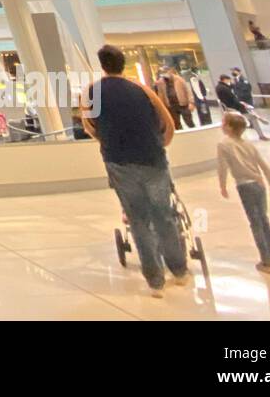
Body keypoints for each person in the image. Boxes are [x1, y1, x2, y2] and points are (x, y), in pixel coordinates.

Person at [81, 44, 189, 298]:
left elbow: (89, 125)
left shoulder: (92, 92)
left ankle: (155, 280)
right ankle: (179, 269)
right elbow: (167, 121)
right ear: (122, 64)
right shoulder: (141, 89)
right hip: (152, 159)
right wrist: (161, 144)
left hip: (119, 162)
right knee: (164, 215)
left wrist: (107, 142)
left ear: (102, 65)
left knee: (138, 220)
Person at [217, 110, 270, 273]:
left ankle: (266, 261)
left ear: (229, 127)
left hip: (244, 185)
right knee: (264, 219)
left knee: (255, 222)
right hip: (259, 184)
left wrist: (222, 185)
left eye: (224, 122)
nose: (222, 125)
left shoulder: (224, 145)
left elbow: (222, 167)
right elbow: (263, 165)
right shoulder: (249, 145)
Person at [216, 74, 270, 141]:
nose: (229, 81)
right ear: (225, 79)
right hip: (233, 109)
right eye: (228, 80)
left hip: (230, 108)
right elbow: (232, 99)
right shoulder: (224, 88)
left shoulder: (220, 87)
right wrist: (241, 104)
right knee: (252, 117)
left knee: (250, 111)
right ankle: (261, 133)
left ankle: (257, 117)